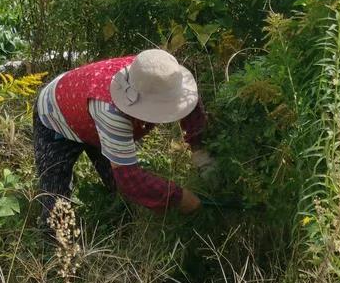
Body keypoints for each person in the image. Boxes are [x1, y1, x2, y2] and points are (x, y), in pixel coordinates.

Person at [33, 49, 213, 227]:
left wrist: (200, 152)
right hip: (55, 116)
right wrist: (181, 199)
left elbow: (189, 103)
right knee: (56, 203)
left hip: (88, 113)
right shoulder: (112, 110)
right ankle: (56, 247)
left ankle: (120, 225)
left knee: (119, 191)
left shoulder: (158, 73)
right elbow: (130, 180)